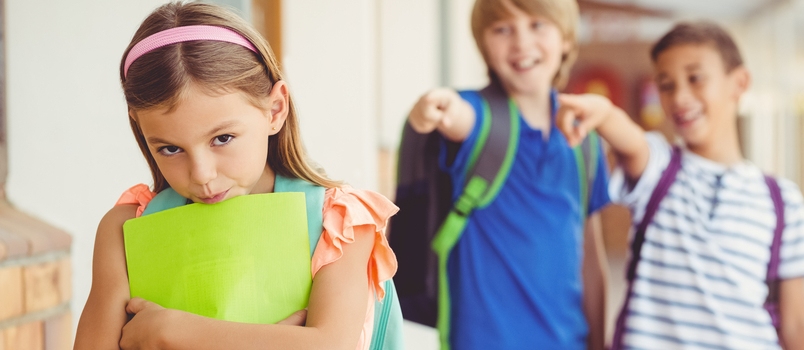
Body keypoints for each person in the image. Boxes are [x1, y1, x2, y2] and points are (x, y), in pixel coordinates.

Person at [73, 2, 399, 349]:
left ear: (275, 110)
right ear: (139, 128)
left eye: (222, 139)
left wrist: (172, 333)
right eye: (170, 148)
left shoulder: (339, 224)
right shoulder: (125, 229)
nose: (201, 174)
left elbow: (331, 345)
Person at [556, 21, 804, 349]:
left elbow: (795, 324)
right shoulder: (660, 168)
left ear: (739, 83)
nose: (680, 97)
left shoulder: (783, 201)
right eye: (666, 85)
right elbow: (631, 142)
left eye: (695, 78)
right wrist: (604, 114)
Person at [405, 0, 611, 348]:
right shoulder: (478, 116)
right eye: (503, 29)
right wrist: (434, 108)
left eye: (537, 25)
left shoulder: (585, 140)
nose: (521, 43)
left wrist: (600, 340)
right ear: (484, 45)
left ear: (566, 39)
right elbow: (455, 117)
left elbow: (590, 256)